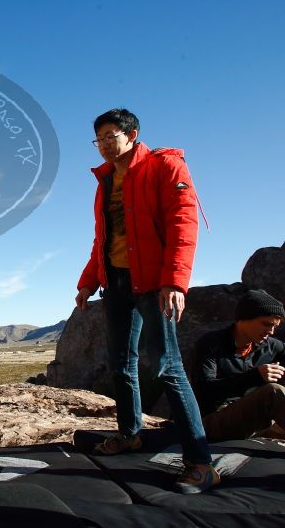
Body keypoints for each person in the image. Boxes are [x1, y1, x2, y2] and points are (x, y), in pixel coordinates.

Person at [75, 108, 218, 494]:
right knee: (122, 364)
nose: (104, 145)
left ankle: (201, 463)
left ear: (132, 134)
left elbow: (183, 224)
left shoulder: (164, 166)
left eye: (111, 136)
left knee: (168, 366)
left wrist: (175, 281)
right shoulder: (105, 181)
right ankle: (130, 434)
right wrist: (88, 282)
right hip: (116, 283)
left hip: (154, 283)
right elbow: (102, 239)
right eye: (99, 139)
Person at [193, 289, 285, 441]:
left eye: (275, 327)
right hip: (211, 422)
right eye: (266, 324)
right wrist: (255, 376)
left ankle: (268, 431)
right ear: (243, 319)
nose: (271, 331)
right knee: (273, 392)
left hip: (251, 420)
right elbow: (205, 390)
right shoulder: (210, 344)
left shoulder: (270, 346)